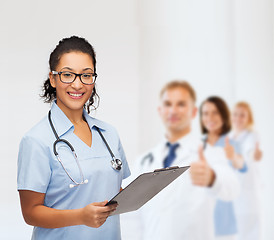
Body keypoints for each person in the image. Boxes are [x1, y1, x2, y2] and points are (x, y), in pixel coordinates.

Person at [17, 36, 131, 240]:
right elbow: (30, 212)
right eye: (67, 75)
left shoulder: (109, 134)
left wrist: (145, 189)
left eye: (86, 76)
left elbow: (112, 190)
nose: (78, 85)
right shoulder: (36, 140)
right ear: (53, 79)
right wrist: (80, 217)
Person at [124, 81, 240, 240]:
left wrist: (212, 178)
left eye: (181, 104)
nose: (173, 110)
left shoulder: (210, 153)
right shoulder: (143, 161)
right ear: (160, 111)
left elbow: (232, 188)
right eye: (168, 104)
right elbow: (130, 215)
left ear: (193, 112)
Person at [200, 96, 247, 240]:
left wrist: (233, 157)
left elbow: (242, 165)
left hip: (224, 220)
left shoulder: (230, 143)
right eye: (206, 113)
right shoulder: (198, 144)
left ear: (223, 115)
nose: (210, 118)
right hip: (200, 218)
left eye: (215, 113)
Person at [229, 102, 263, 240]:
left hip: (249, 199)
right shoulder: (229, 139)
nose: (238, 118)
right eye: (235, 114)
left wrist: (253, 154)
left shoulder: (252, 136)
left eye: (242, 115)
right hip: (234, 199)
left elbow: (251, 152)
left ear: (249, 118)